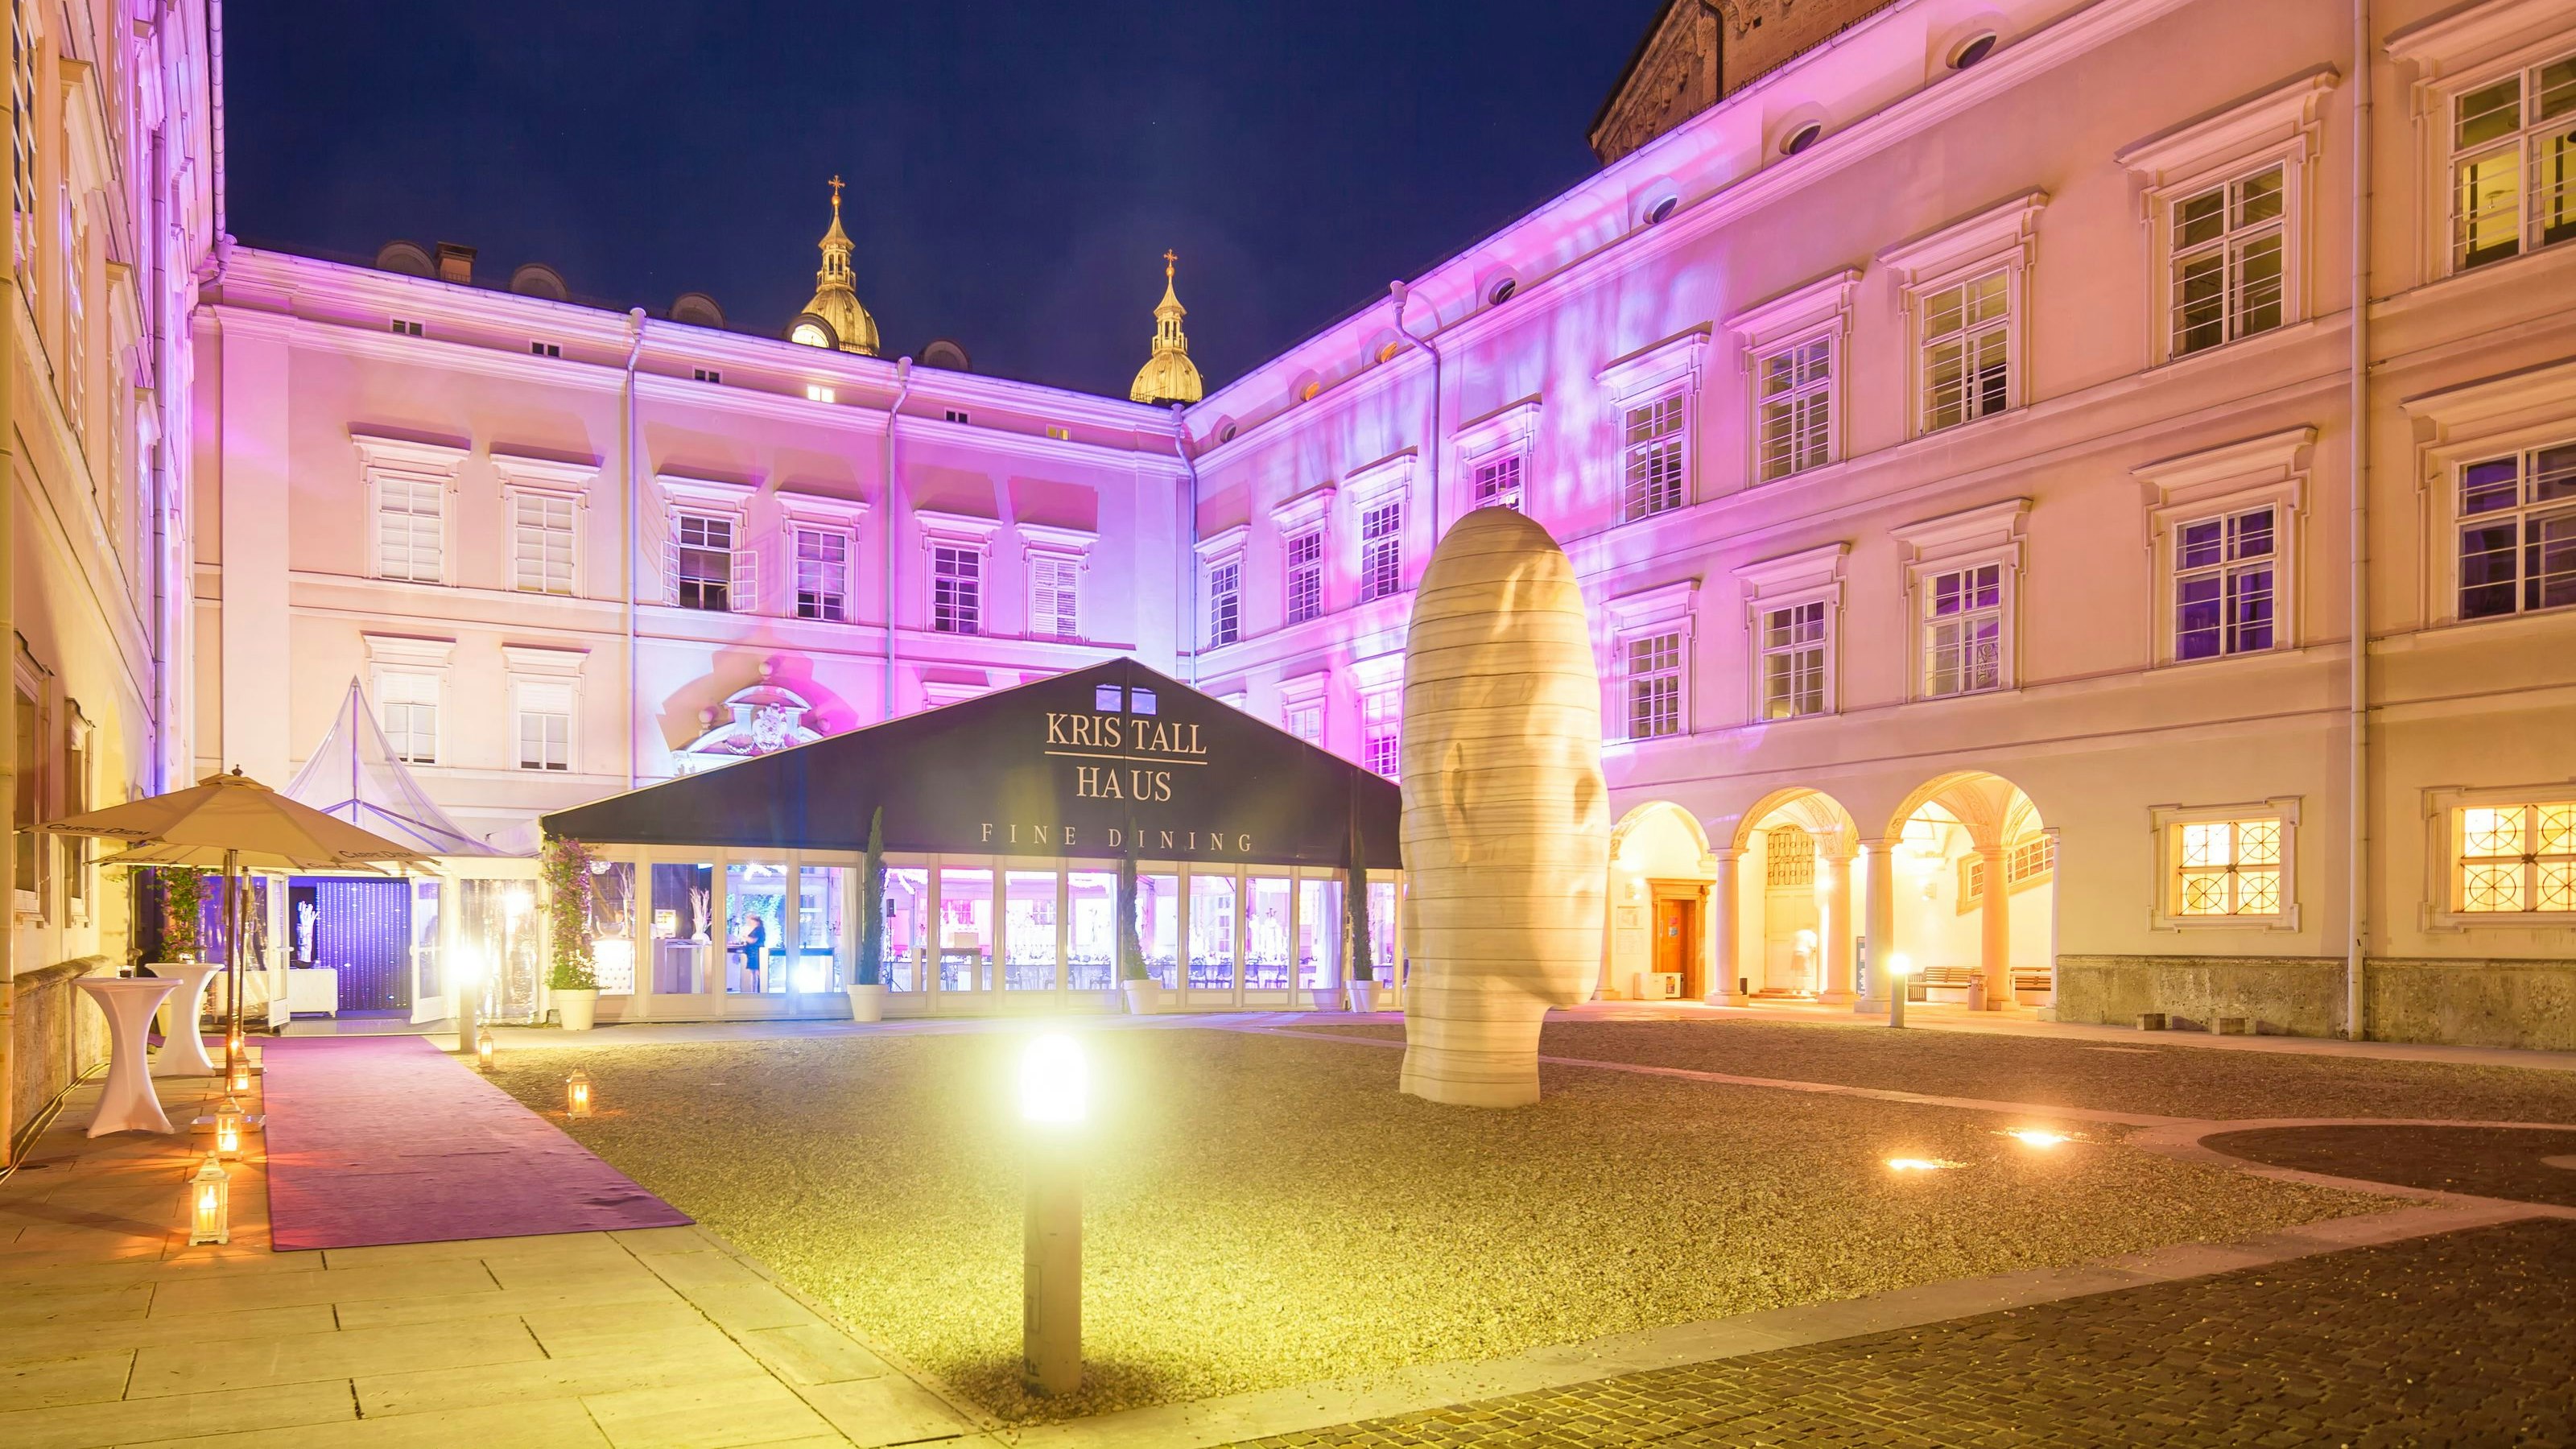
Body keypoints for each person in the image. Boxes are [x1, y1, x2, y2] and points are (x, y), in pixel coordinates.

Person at [738, 912, 767, 992]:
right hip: (753, 953)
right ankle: (755, 991)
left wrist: (744, 937)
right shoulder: (757, 929)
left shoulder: (758, 929)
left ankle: (758, 990)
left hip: (756, 953)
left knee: (757, 972)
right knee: (754, 973)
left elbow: (753, 940)